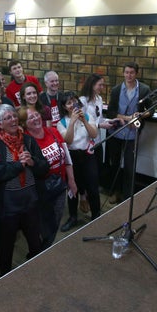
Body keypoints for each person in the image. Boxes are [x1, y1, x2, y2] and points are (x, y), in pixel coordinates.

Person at [0, 104, 49, 276]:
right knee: (5, 247)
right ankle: (5, 278)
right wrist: (18, 165)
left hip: (31, 203)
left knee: (36, 243)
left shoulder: (28, 140)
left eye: (14, 116)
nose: (13, 120)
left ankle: (38, 273)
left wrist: (33, 162)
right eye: (7, 118)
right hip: (7, 208)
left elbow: (44, 167)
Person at [20, 106, 76, 249]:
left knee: (55, 221)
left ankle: (46, 248)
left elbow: (66, 158)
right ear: (24, 123)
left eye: (36, 115)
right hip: (39, 191)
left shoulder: (53, 131)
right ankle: (41, 251)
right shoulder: (25, 141)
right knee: (42, 225)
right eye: (30, 117)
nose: (35, 118)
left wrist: (71, 180)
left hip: (59, 186)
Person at [105, 63, 150, 203]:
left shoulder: (144, 89)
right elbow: (111, 111)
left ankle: (127, 197)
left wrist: (141, 115)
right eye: (126, 72)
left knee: (130, 166)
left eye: (131, 72)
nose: (128, 75)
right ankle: (115, 192)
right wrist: (126, 118)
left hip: (133, 133)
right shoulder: (116, 89)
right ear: (123, 73)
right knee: (115, 164)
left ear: (136, 73)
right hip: (116, 131)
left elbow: (151, 110)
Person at [56, 91, 100, 232]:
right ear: (64, 107)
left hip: (88, 156)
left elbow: (94, 134)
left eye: (74, 101)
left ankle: (96, 215)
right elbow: (67, 140)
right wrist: (73, 121)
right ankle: (73, 217)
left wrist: (84, 121)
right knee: (73, 188)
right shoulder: (60, 123)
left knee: (92, 187)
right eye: (69, 103)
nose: (72, 105)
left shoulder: (88, 116)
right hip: (72, 158)